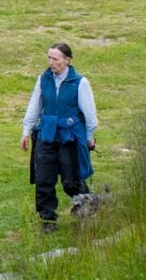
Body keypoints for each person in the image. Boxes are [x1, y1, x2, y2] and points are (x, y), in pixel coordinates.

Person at [21, 43, 97, 231]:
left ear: (67, 60)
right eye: (49, 58)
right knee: (43, 179)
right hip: (46, 134)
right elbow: (34, 107)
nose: (51, 62)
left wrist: (88, 138)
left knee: (71, 180)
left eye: (55, 58)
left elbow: (90, 115)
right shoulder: (43, 79)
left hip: (69, 136)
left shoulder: (80, 82)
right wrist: (26, 131)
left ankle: (88, 208)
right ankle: (47, 221)